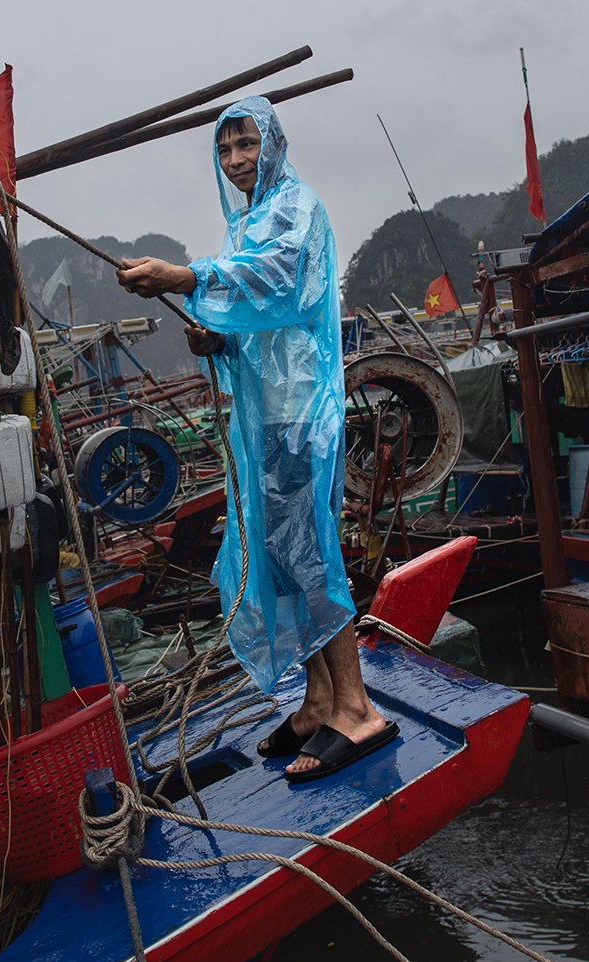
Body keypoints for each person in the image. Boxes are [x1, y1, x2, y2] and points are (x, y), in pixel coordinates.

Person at [115, 97, 396, 783]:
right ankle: (318, 697)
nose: (238, 158)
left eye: (247, 144)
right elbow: (254, 318)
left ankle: (356, 707)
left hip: (302, 412)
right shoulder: (245, 222)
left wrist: (188, 277)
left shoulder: (297, 209)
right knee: (277, 556)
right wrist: (217, 334)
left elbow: (279, 283)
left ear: (273, 143)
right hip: (267, 411)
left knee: (310, 553)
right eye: (226, 150)